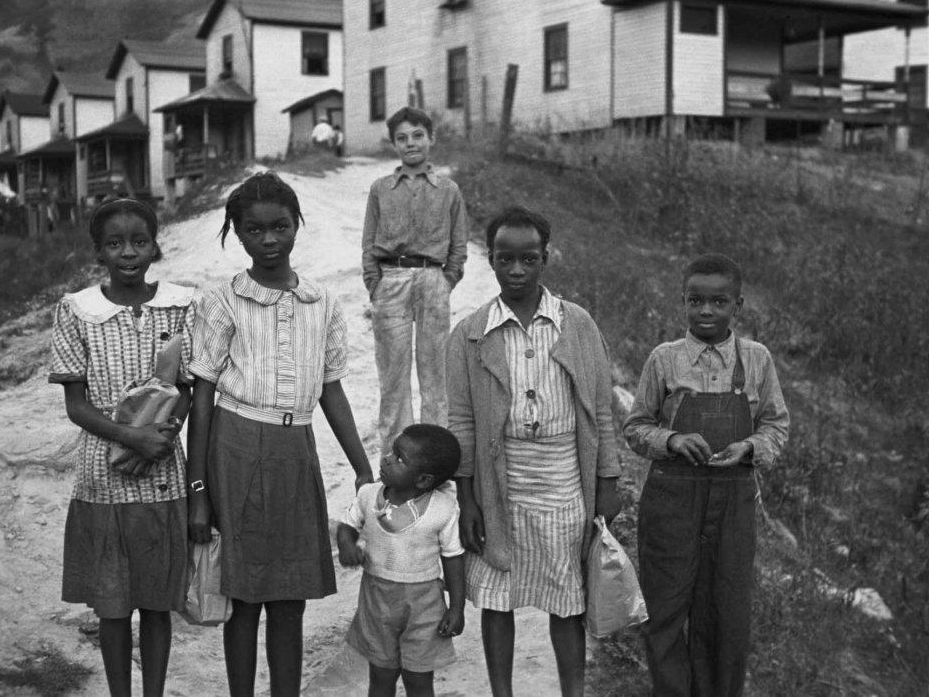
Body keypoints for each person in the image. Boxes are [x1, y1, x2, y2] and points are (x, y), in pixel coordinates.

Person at [186, 171, 374, 696]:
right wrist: (197, 491)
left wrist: (362, 467)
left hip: (297, 453)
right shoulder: (223, 300)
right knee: (244, 597)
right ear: (237, 233)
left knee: (290, 599)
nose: (269, 240)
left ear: (297, 225)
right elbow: (201, 397)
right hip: (236, 448)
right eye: (254, 230)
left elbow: (331, 389)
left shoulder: (322, 302)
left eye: (280, 227)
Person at [446, 206, 621, 697]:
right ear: (490, 260)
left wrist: (607, 484)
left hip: (565, 484)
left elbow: (600, 410)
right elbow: (462, 423)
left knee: (567, 600)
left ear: (546, 257)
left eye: (529, 259)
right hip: (500, 484)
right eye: (505, 259)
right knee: (498, 599)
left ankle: (573, 691)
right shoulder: (471, 334)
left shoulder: (577, 325)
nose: (517, 270)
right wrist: (468, 499)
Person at [623, 252, 790, 697]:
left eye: (719, 302)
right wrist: (672, 440)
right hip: (672, 501)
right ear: (683, 301)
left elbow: (776, 425)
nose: (706, 311)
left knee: (725, 611)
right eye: (695, 301)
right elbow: (635, 427)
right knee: (665, 607)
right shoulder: (664, 359)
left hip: (733, 500)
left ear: (738, 305)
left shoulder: (757, 359)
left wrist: (749, 447)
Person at [49, 197, 195, 697]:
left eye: (139, 241)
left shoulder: (181, 305)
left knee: (156, 603)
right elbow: (77, 405)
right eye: (115, 243)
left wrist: (164, 434)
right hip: (103, 477)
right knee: (112, 606)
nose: (128, 252)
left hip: (163, 471)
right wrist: (131, 437)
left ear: (155, 246)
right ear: (99, 252)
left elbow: (188, 388)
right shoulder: (77, 311)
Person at [362, 106, 469, 456]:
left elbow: (459, 245)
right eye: (402, 138)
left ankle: (434, 460)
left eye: (418, 136)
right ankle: (395, 459)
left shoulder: (448, 190)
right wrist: (375, 283)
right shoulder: (380, 189)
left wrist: (446, 279)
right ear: (394, 144)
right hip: (391, 280)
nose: (411, 144)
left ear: (431, 138)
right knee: (393, 377)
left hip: (433, 280)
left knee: (435, 377)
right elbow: (368, 242)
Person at [337, 423, 466, 697]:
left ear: (423, 480)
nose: (386, 459)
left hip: (424, 605)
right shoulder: (369, 494)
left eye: (399, 458)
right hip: (377, 601)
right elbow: (347, 525)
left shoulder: (442, 509)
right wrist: (347, 545)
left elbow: (453, 559)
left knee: (418, 681)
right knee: (381, 677)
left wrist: (457, 608)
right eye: (391, 452)